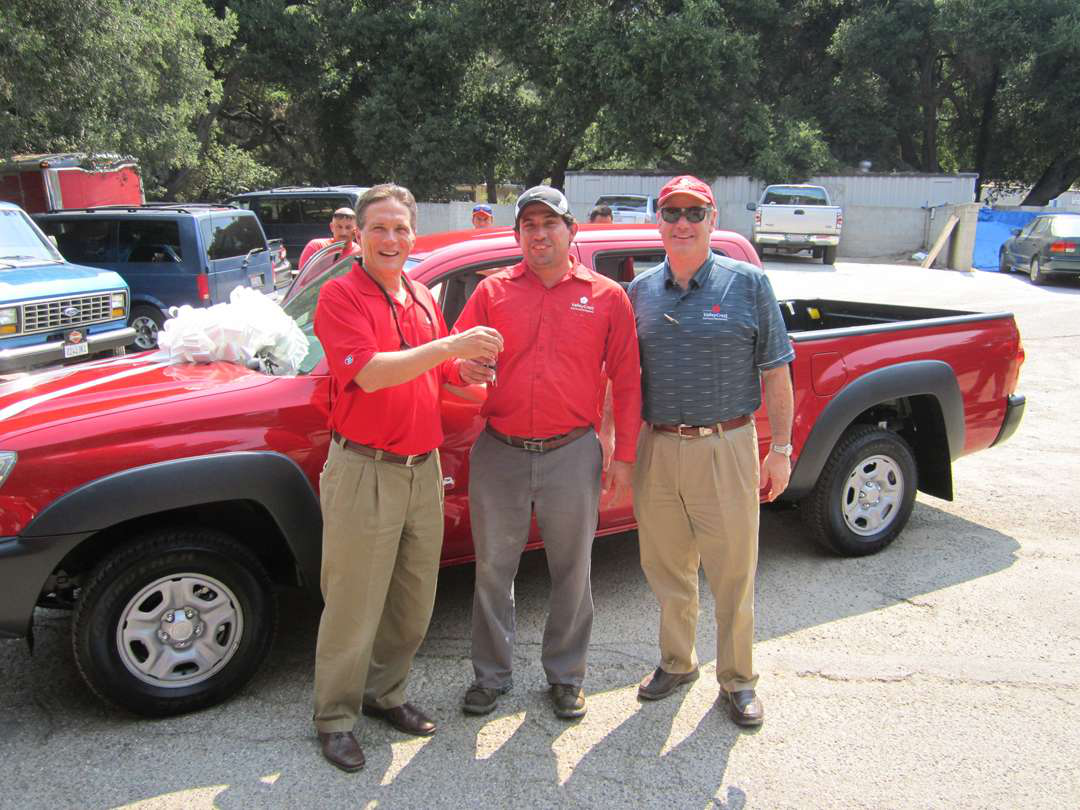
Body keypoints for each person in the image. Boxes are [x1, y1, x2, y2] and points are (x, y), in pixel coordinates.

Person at [311, 184, 503, 772]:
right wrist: (452, 343)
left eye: (400, 229)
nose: (391, 239)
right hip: (365, 468)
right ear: (358, 235)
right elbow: (369, 374)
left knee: (413, 599)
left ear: (413, 234)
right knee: (353, 600)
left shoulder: (420, 294)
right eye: (379, 229)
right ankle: (335, 717)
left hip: (424, 470)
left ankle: (385, 693)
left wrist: (460, 365)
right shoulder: (340, 294)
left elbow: (435, 367)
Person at [453, 186, 641, 720]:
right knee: (493, 569)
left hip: (571, 453)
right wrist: (460, 369)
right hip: (500, 450)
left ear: (571, 231)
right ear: (518, 236)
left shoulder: (607, 297)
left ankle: (565, 676)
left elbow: (627, 382)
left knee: (573, 569)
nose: (539, 234)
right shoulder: (492, 292)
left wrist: (624, 455)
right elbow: (453, 354)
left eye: (549, 224)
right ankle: (491, 677)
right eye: (529, 226)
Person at [627, 175, 794, 728]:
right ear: (658, 221)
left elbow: (776, 372)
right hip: (658, 444)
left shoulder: (747, 285)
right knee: (666, 564)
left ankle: (739, 680)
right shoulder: (640, 292)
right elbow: (623, 378)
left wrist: (782, 449)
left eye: (693, 213)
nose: (681, 222)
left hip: (726, 444)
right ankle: (678, 662)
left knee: (733, 570)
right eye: (671, 211)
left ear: (712, 220)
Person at [298, 206, 359, 270]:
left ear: (356, 229)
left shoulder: (359, 252)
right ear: (331, 227)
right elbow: (306, 279)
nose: (343, 232)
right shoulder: (317, 247)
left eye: (348, 227)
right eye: (339, 227)